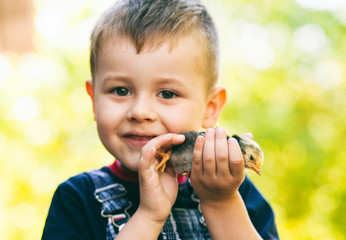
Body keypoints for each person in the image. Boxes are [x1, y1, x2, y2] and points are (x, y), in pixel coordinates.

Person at [42, 0, 279, 239]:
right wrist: (149, 216)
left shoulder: (235, 190)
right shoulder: (77, 198)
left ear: (210, 107)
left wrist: (221, 203)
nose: (140, 111)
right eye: (121, 91)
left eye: (167, 94)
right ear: (93, 100)